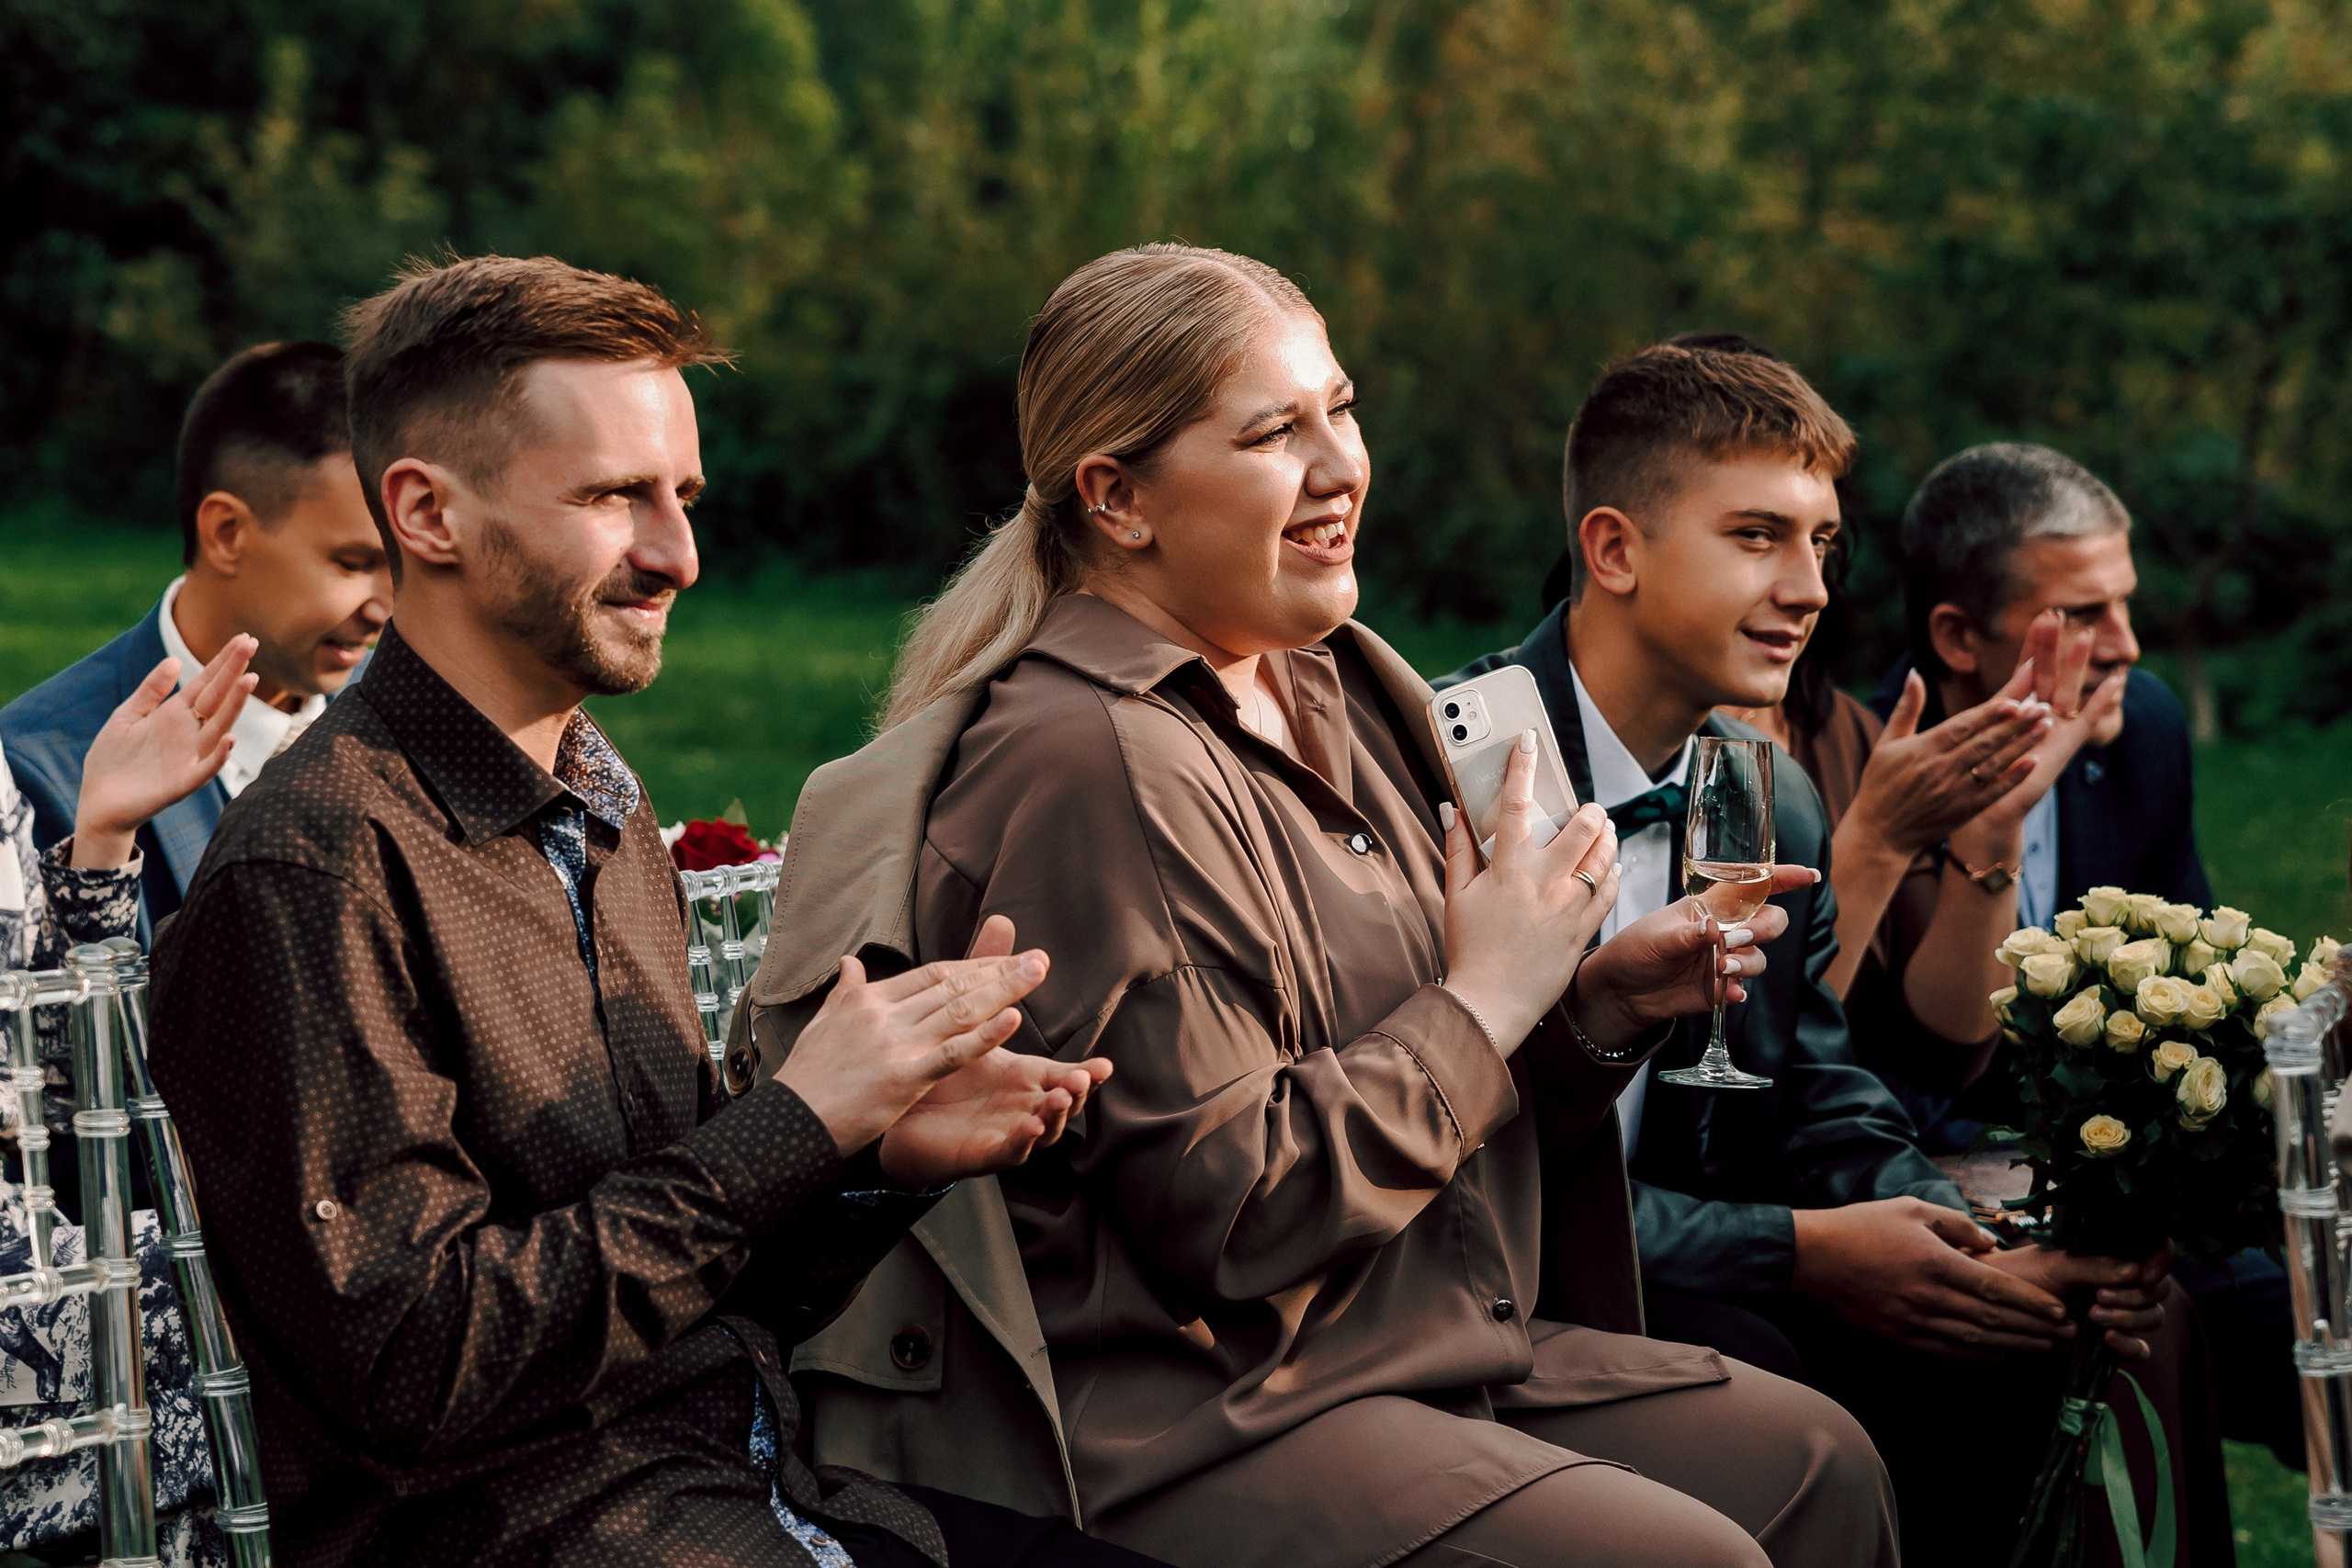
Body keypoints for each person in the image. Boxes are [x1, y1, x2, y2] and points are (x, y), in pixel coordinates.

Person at [762, 243, 1901, 1568]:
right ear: (1117, 496)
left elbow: (1454, 1099)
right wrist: (1486, 993)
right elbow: (1235, 1217)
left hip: (1420, 1333)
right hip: (1204, 1413)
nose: (1340, 463)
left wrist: (1590, 1007)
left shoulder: (1343, 688)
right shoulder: (1095, 757)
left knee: (1824, 1464)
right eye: (1272, 432)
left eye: (1340, 409)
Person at [145, 254, 1163, 1568]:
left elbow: (689, 1291)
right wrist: (793, 1122)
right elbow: (413, 1371)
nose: (678, 552)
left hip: (763, 1490)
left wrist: (866, 1159)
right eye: (615, 496)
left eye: (679, 494)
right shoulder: (316, 870)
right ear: (426, 512)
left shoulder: (603, 807)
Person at [1442, 342, 2223, 1565]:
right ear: (1614, 549)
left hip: (1698, 1253)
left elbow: (1825, 1096)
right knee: (1780, 1369)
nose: (1808, 587)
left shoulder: (1769, 790)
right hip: (1502, 1295)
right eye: (1758, 535)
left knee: (2027, 1335)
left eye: (1821, 544)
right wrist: (1802, 1251)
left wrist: (1966, 1248)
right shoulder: (1461, 783)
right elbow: (1471, 1196)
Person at [1856, 441, 2298, 1469]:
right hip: (1925, 1205)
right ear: (1958, 637)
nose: (2127, 645)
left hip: (2135, 1197)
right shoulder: (1853, 771)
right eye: (2085, 615)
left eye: (2125, 605)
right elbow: (1851, 1082)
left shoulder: (2138, 731)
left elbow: (2196, 1001)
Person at [2, 341, 391, 942]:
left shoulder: (410, 710)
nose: (385, 607)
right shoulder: (38, 767)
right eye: (352, 562)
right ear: (227, 532)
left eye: (400, 563)